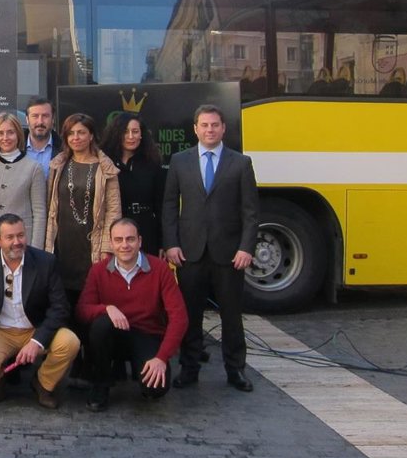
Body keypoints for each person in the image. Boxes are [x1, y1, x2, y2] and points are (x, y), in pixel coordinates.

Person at [162, 104, 260, 393]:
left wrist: (246, 248)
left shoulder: (240, 163)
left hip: (229, 254)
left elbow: (251, 211)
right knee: (190, 315)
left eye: (215, 125)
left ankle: (236, 369)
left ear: (223, 128)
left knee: (231, 315)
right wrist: (171, 243)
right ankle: (189, 368)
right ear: (195, 129)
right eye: (204, 125)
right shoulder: (179, 161)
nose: (210, 130)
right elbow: (169, 205)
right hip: (190, 252)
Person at [0, 214, 80, 409]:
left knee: (70, 342)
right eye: (10, 237)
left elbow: (60, 307)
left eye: (21, 235)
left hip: (35, 327)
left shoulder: (45, 262)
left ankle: (43, 384)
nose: (17, 242)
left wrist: (37, 341)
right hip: (0, 330)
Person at [76, 217, 188, 412]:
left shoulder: (160, 269)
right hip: (113, 335)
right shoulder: (98, 271)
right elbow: (82, 310)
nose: (124, 245)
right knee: (100, 325)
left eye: (130, 239)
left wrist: (162, 357)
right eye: (118, 240)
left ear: (140, 241)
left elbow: (179, 317)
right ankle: (101, 384)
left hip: (147, 334)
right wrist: (106, 308)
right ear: (111, 243)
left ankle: (141, 369)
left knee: (156, 389)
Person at [44, 113, 121, 302]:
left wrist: (107, 247)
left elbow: (113, 211)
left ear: (91, 135)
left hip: (91, 245)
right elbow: (49, 206)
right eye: (71, 133)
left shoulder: (106, 168)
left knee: (90, 299)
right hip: (62, 244)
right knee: (62, 298)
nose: (76, 138)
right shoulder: (58, 165)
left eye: (81, 132)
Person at [99, 112, 166, 256]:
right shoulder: (104, 163)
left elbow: (161, 205)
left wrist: (163, 242)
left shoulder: (152, 163)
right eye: (125, 131)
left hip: (146, 231)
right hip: (114, 231)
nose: (131, 136)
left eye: (135, 131)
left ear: (141, 134)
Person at [0, 111, 48, 250]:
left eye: (10, 132)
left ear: (18, 134)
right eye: (0, 133)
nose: (5, 138)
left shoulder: (34, 168)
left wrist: (36, 250)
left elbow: (39, 213)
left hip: (20, 242)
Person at [23, 97, 56, 177]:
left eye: (45, 116)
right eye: (35, 116)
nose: (40, 122)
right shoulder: (15, 148)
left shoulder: (64, 150)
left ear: (53, 119)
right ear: (27, 119)